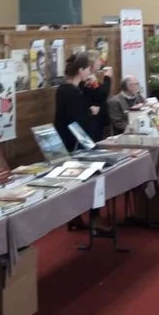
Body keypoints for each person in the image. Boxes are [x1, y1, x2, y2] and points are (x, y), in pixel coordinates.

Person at [55, 53, 105, 231]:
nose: (89, 73)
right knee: (93, 177)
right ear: (80, 70)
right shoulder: (71, 91)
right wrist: (91, 111)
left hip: (71, 140)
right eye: (87, 70)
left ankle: (76, 216)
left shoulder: (69, 89)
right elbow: (77, 118)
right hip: (77, 143)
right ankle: (93, 216)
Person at [81, 51, 112, 138]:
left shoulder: (93, 76)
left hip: (99, 119)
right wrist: (107, 77)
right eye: (98, 59)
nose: (100, 62)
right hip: (93, 120)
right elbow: (102, 94)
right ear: (92, 62)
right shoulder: (88, 78)